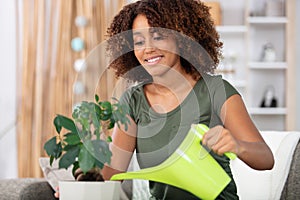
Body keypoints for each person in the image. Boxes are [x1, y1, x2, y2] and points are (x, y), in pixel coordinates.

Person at [56, 0, 274, 199]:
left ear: (181, 37)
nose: (148, 48)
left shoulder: (217, 91)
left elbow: (265, 158)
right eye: (139, 41)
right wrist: (78, 187)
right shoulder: (133, 100)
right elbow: (113, 172)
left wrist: (237, 146)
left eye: (158, 36)